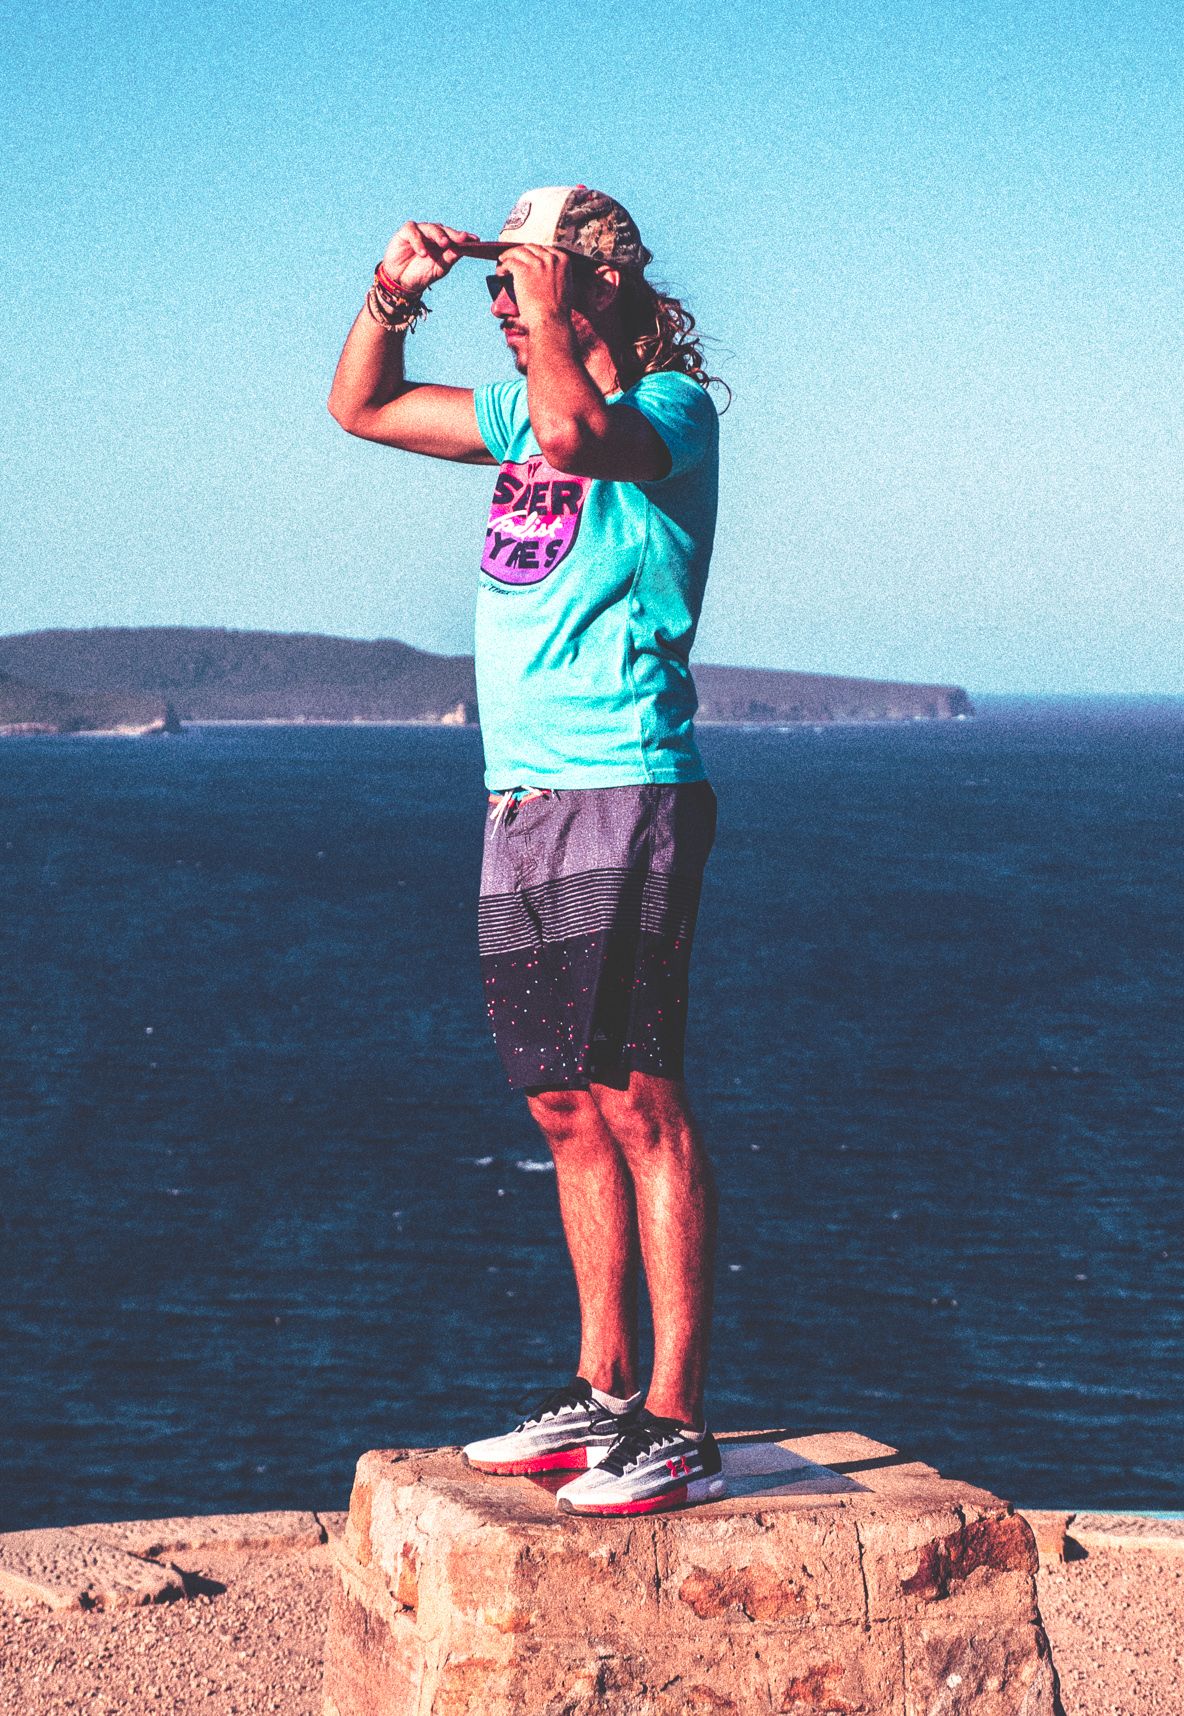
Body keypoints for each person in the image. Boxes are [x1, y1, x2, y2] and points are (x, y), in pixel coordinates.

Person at [327, 186, 726, 1516]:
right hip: (521, 795)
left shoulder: (669, 415)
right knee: (562, 1105)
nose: (502, 308)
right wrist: (393, 296)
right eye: (497, 292)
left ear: (595, 285)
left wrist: (549, 314)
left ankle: (674, 1416)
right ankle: (600, 1390)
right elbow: (365, 407)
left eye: (525, 286)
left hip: (626, 784)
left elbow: (574, 426)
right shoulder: (518, 408)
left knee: (638, 1100)